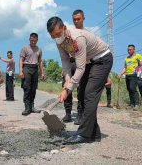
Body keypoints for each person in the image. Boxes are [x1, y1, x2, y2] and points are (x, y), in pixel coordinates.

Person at [47, 16, 113, 144]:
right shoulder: (59, 41)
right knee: (82, 94)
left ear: (64, 28)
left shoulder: (77, 38)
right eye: (52, 36)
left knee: (90, 94)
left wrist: (67, 89)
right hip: (89, 62)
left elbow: (80, 68)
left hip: (102, 60)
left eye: (58, 34)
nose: (56, 37)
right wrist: (67, 79)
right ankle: (94, 132)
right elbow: (65, 61)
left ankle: (84, 134)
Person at [19, 33, 46, 116]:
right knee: (27, 88)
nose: (33, 42)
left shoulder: (39, 49)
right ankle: (27, 108)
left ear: (37, 40)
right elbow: (21, 60)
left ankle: (32, 106)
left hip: (35, 68)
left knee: (33, 89)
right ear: (29, 39)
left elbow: (40, 61)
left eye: (35, 40)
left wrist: (42, 72)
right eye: (32, 40)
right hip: (26, 68)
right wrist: (20, 71)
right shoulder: (25, 48)